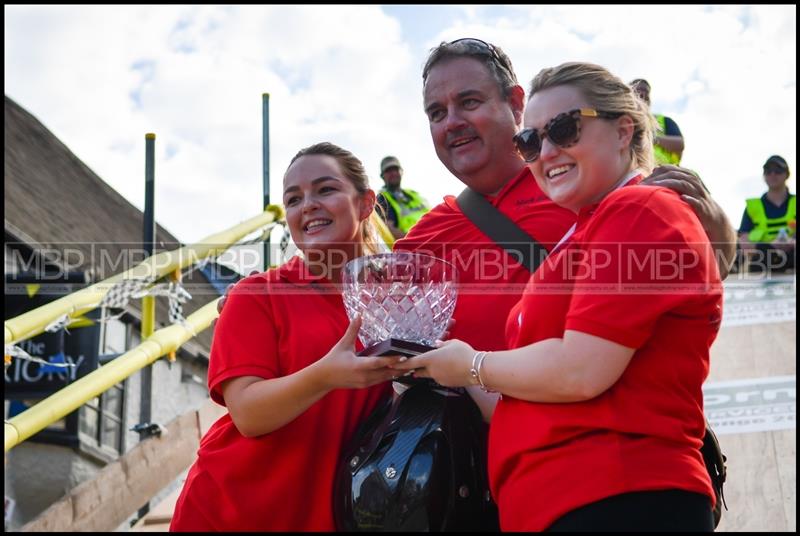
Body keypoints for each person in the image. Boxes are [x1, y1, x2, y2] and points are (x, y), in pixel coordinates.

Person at [393, 61, 722, 532]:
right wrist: (445, 371)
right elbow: (528, 395)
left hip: (617, 493)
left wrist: (470, 364)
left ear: (623, 131)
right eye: (532, 141)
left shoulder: (638, 207)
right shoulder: (584, 230)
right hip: (551, 503)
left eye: (565, 130)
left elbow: (581, 370)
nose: (547, 152)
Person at [170, 142, 403, 531]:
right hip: (228, 514)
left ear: (365, 204)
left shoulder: (399, 299)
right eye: (293, 199)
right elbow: (247, 414)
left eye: (325, 190)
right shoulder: (256, 295)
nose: (307, 205)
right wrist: (327, 374)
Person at [737, 155, 796, 272]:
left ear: (787, 174)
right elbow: (743, 242)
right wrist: (770, 245)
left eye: (778, 171)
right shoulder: (752, 207)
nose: (773, 175)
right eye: (768, 171)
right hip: (762, 265)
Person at [630, 78, 685, 165]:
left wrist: (646, 137)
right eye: (637, 91)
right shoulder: (617, 121)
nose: (642, 94)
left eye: (646, 91)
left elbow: (679, 144)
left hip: (662, 172)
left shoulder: (664, 121)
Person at [375, 155, 430, 239]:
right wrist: (416, 242)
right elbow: (389, 229)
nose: (393, 173)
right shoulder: (382, 199)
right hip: (412, 247)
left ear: (401, 172)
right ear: (382, 176)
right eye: (388, 171)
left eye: (395, 169)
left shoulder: (414, 194)